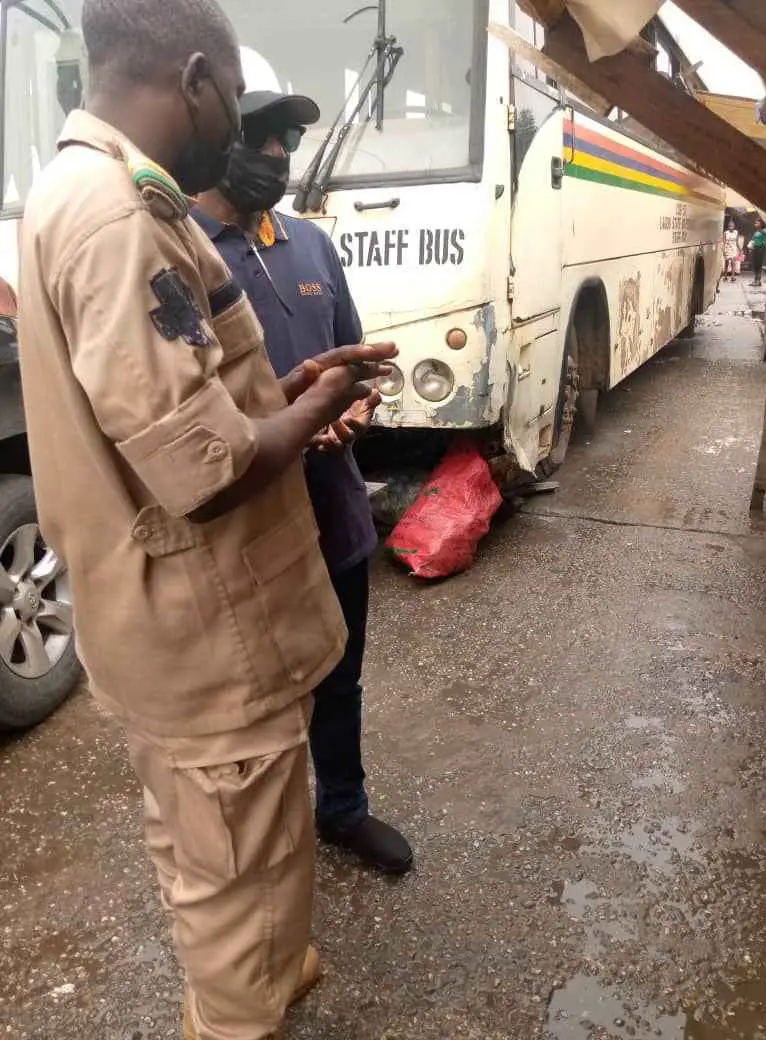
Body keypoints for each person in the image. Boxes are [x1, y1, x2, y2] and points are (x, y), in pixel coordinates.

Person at [17, 1, 397, 1038]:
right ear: (192, 79)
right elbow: (205, 467)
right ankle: (242, 1007)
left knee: (232, 846)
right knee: (229, 875)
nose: (241, 128)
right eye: (232, 99)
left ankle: (273, 969)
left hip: (185, 624)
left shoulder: (103, 195)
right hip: (199, 630)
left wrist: (289, 384)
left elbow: (182, 405)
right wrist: (313, 406)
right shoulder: (114, 214)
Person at [194, 89, 414, 876]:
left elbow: (357, 361)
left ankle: (343, 809)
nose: (280, 154)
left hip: (337, 511)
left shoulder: (312, 245)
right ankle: (262, 843)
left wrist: (359, 404)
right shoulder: (184, 251)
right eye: (260, 135)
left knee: (339, 674)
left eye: (288, 137)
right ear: (218, 134)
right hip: (250, 528)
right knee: (256, 694)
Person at [748, 218, 766, 286]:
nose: (755, 224)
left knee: (759, 265)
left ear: (761, 224)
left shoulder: (763, 230)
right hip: (755, 248)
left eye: (757, 223)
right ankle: (755, 280)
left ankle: (758, 281)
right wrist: (750, 247)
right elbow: (753, 240)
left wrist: (764, 242)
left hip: (761, 248)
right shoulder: (757, 231)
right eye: (755, 223)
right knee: (755, 265)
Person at [723, 218, 739, 283]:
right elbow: (724, 242)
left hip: (733, 248)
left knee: (733, 262)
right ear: (728, 226)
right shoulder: (725, 233)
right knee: (726, 263)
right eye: (730, 226)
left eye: (732, 226)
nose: (731, 227)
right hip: (727, 248)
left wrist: (740, 249)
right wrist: (723, 249)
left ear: (734, 226)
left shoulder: (736, 232)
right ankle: (725, 276)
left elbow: (737, 241)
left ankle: (733, 276)